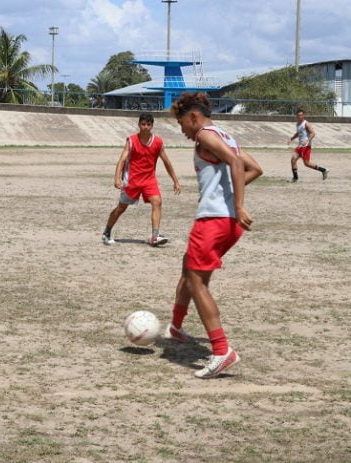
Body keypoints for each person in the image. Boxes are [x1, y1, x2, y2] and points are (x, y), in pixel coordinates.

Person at [164, 92, 263, 379]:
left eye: (182, 123)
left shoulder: (205, 136)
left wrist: (237, 203)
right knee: (189, 267)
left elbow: (234, 164)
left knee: (197, 282)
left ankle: (222, 351)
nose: (182, 130)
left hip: (214, 220)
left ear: (193, 116)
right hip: (228, 223)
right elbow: (254, 168)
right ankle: (176, 326)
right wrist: (230, 197)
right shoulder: (225, 135)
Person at [103, 113, 181, 246]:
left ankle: (155, 236)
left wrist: (175, 180)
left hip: (149, 180)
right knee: (121, 208)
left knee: (157, 201)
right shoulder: (132, 141)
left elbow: (166, 161)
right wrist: (117, 178)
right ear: (139, 125)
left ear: (152, 126)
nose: (145, 127)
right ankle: (107, 232)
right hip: (132, 180)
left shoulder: (158, 142)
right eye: (143, 124)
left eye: (148, 124)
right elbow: (122, 160)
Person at [287, 108, 329, 182]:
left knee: (307, 164)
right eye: (298, 115)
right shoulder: (298, 124)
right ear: (297, 116)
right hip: (300, 146)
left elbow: (313, 133)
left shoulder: (306, 123)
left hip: (306, 146)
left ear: (303, 115)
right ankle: (295, 178)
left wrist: (307, 140)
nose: (300, 117)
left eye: (301, 115)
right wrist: (292, 138)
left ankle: (324, 170)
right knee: (293, 160)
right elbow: (298, 133)